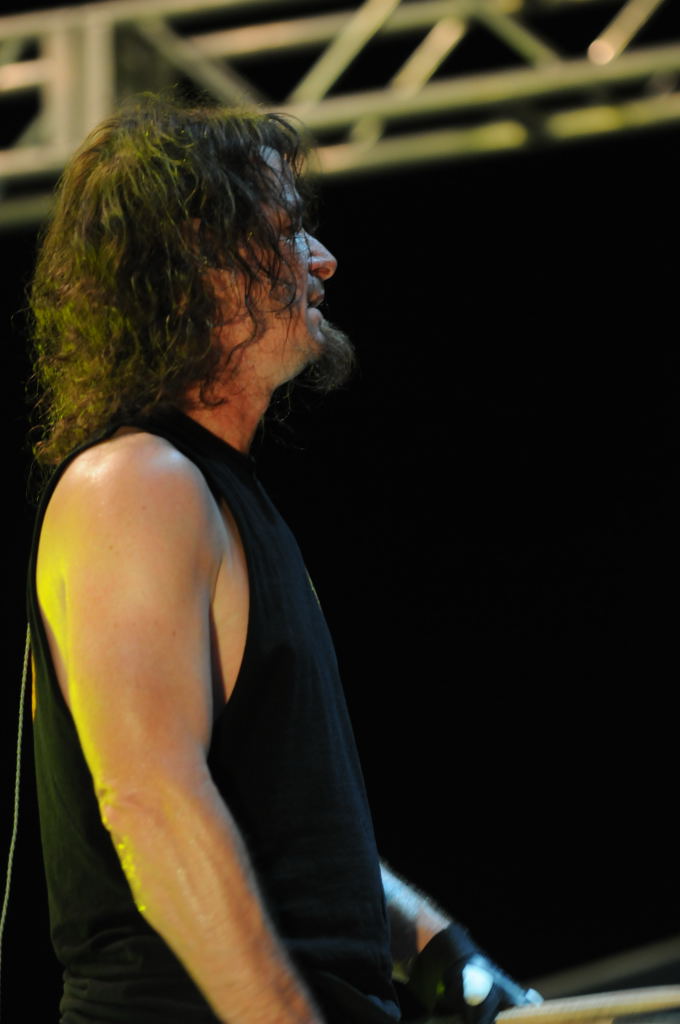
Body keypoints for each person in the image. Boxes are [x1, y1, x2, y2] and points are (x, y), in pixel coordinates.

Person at [25, 94, 541, 1024]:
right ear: (201, 258)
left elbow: (287, 832)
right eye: (289, 228)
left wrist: (458, 974)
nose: (323, 258)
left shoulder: (218, 498)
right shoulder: (134, 483)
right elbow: (150, 803)